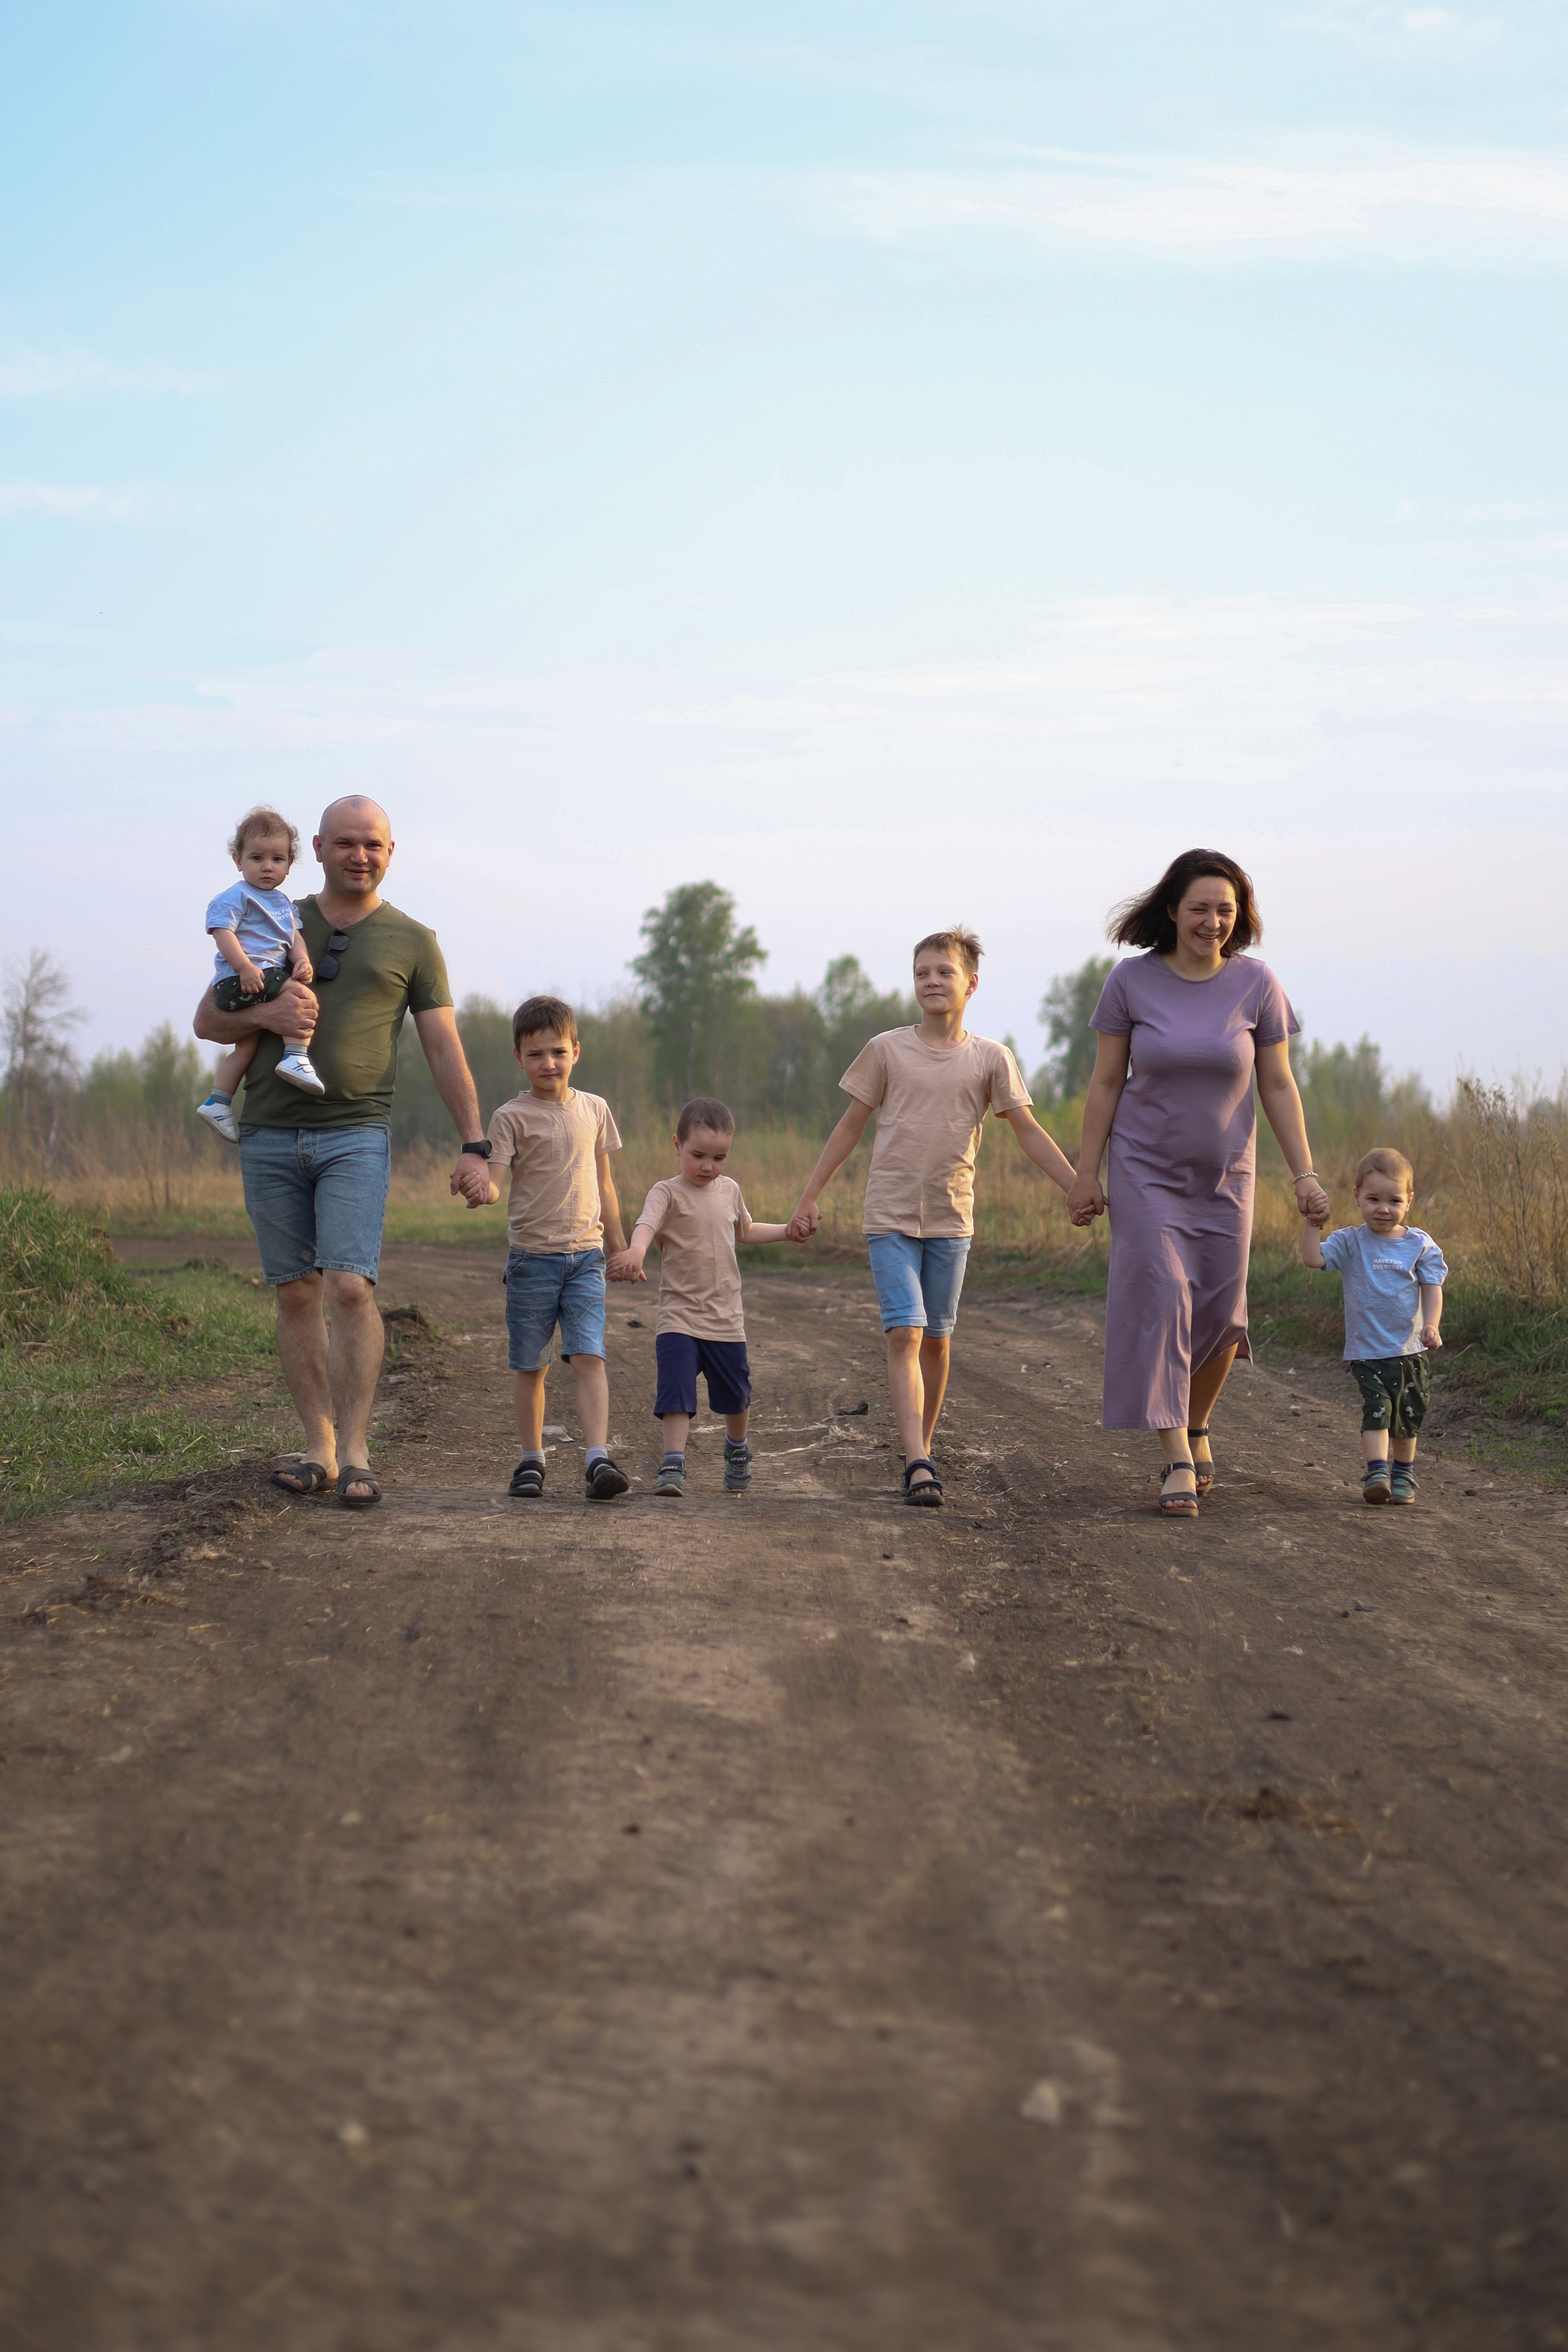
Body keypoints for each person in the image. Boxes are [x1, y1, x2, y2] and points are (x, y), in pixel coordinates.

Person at [193, 795, 491, 1510]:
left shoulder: (413, 941)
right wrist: (266, 1013)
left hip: (356, 1132)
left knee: (351, 1286)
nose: (361, 855)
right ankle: (318, 1448)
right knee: (295, 1290)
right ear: (319, 848)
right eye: (347, 843)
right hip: (266, 1130)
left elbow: (443, 1045)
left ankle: (357, 1451)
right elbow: (208, 1018)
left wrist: (475, 1143)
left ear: (391, 853)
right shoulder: (270, 910)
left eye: (375, 845)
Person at [1065, 849, 1331, 1517]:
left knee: (1222, 1312)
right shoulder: (1130, 981)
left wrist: (1304, 1174)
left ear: (1238, 918)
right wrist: (1084, 1172)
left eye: (1225, 910)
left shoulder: (1257, 984)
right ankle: (1176, 1458)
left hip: (1226, 1177)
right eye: (1199, 909)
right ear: (1172, 911)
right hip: (1143, 1170)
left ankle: (1198, 1422)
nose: (1212, 921)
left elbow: (1277, 1083)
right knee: (1163, 1298)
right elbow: (1104, 1083)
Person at [786, 927, 1076, 1507]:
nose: (932, 981)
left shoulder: (992, 1058)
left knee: (938, 1343)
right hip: (889, 1217)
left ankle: (923, 1445)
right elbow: (850, 1126)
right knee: (906, 1332)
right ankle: (917, 1460)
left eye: (944, 972)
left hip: (951, 1220)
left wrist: (1078, 1185)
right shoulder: (886, 1050)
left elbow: (1028, 1131)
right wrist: (810, 1194)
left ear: (971, 984)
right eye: (922, 973)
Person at [469, 995, 633, 1504]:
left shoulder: (595, 1110)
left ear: (576, 1051)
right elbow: (497, 1182)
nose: (549, 1064)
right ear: (519, 1057)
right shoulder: (509, 1118)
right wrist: (482, 1189)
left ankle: (597, 1458)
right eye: (536, 1054)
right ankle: (531, 1460)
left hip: (586, 1257)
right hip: (531, 1261)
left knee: (590, 1356)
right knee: (531, 1365)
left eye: (558, 1052)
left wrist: (622, 1246)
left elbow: (605, 1184)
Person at [608, 1098, 796, 1498]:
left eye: (719, 1157)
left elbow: (745, 1230)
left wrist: (786, 1230)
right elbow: (646, 1225)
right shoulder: (667, 1193)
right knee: (676, 1389)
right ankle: (673, 1464)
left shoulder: (730, 1191)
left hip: (726, 1318)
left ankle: (737, 1448)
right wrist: (636, 1252)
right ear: (676, 1145)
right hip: (679, 1316)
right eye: (698, 1155)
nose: (708, 1166)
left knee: (736, 1396)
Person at [1301, 1147, 1446, 1506]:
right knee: (1378, 1409)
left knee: (1408, 1417)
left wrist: (1431, 1325)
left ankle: (1404, 1475)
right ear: (1357, 1197)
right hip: (1367, 1351)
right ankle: (1377, 1471)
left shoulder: (1419, 1245)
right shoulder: (1351, 1243)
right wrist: (1312, 1225)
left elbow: (1433, 1288)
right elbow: (1312, 1258)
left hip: (1410, 1350)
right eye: (1374, 1199)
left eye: (1394, 1200)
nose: (1384, 1208)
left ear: (1409, 1201)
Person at [197, 806, 323, 1140]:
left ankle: (218, 1101)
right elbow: (222, 931)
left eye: (277, 859)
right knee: (302, 996)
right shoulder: (236, 896)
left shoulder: (283, 902)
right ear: (238, 860)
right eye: (257, 858)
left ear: (289, 864)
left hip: (260, 978)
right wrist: (245, 967)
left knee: (245, 1049)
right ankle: (295, 1056)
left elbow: (293, 938)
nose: (268, 867)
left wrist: (303, 961)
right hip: (243, 978)